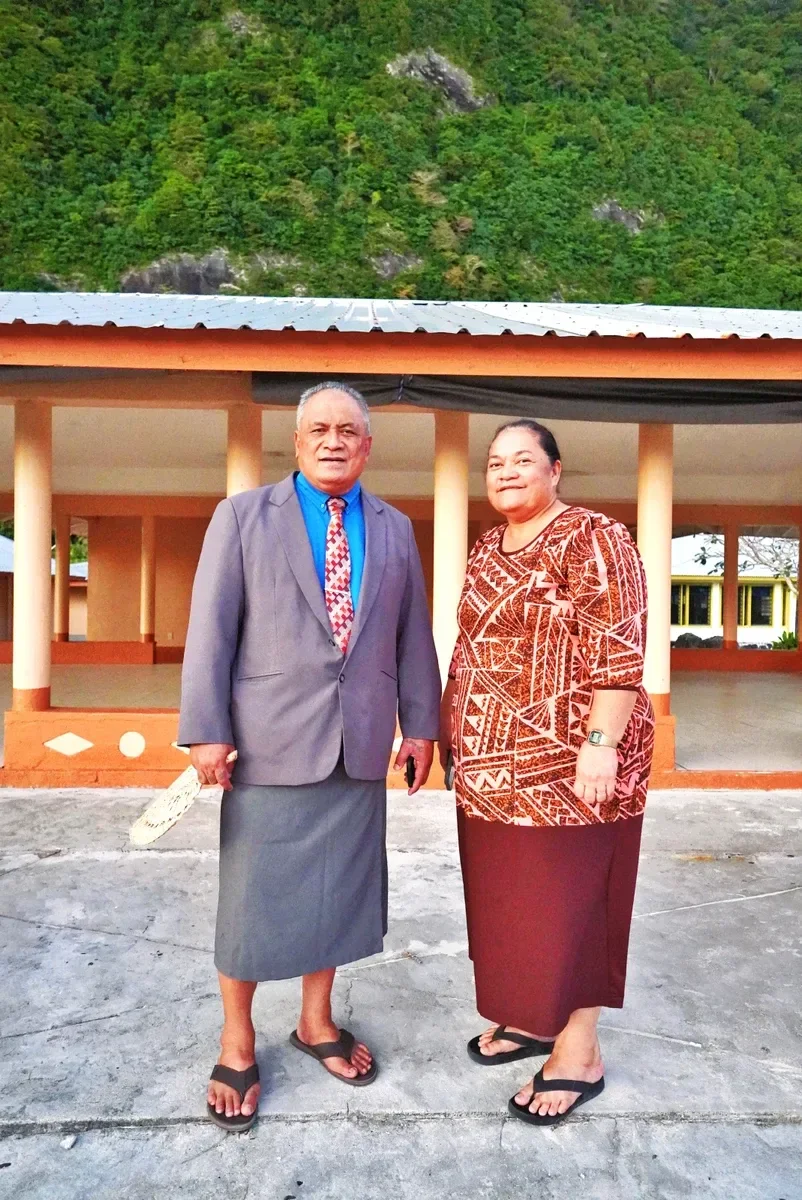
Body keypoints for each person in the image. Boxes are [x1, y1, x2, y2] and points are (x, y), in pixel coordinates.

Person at [179, 382, 440, 1132]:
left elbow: (411, 636)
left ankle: (317, 1023)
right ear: (297, 442)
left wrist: (420, 726)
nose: (334, 441)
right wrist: (205, 729)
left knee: (338, 892)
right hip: (266, 741)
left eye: (349, 431)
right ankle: (237, 1037)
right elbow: (211, 630)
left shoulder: (393, 528)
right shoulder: (242, 518)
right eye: (319, 429)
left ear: (367, 446)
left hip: (357, 741)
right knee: (252, 896)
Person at [440, 418, 654, 1128]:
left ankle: (578, 1050)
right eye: (494, 462)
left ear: (555, 470)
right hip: (491, 765)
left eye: (522, 460)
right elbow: (471, 646)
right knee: (515, 901)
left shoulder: (596, 537)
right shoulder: (486, 547)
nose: (504, 471)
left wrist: (601, 742)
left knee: (575, 900)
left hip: (571, 761)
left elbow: (619, 645)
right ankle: (534, 1017)